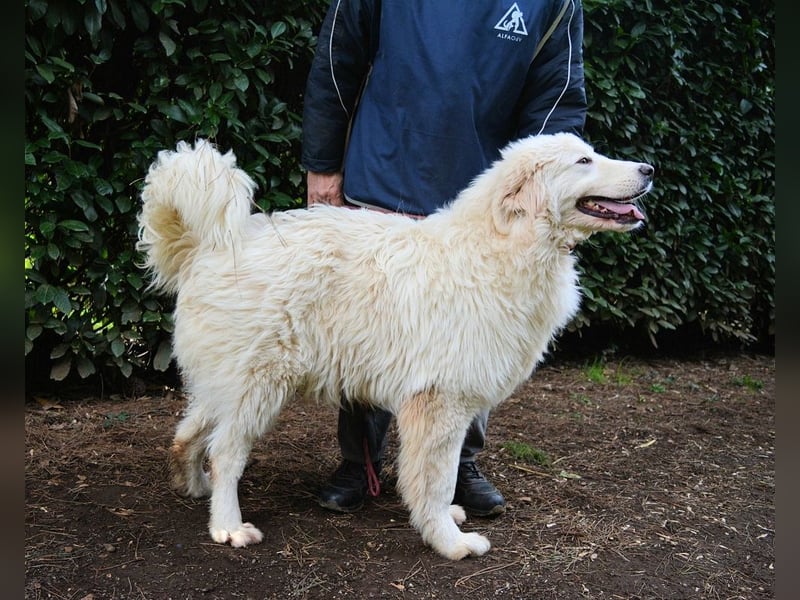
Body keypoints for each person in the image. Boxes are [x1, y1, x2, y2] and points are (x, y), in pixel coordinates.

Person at [300, 0, 587, 517]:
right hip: (383, 175)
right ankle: (359, 462)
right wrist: (323, 164)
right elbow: (338, 61)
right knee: (368, 332)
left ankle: (459, 465)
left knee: (479, 339)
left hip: (481, 199)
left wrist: (550, 197)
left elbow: (556, 102)